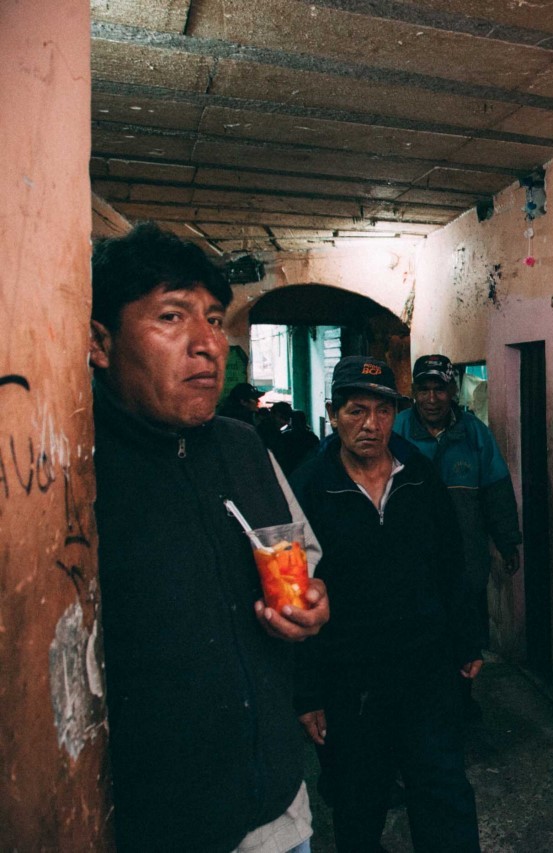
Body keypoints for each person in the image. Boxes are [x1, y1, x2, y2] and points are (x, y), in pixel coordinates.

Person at [89, 222, 330, 853]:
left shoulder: (243, 448)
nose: (206, 345)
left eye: (216, 320)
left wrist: (310, 607)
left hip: (279, 816)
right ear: (100, 342)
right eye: (172, 316)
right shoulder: (76, 472)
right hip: (161, 829)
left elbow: (299, 559)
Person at [290, 356, 483, 853]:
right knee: (358, 802)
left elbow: (450, 561)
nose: (370, 425)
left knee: (442, 791)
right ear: (334, 414)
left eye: (381, 411)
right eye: (356, 411)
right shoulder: (309, 486)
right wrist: (307, 692)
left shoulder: (417, 474)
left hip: (425, 666)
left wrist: (465, 641)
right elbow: (294, 592)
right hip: (350, 679)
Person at [392, 355, 521, 714]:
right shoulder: (397, 431)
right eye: (423, 390)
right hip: (411, 559)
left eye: (439, 389)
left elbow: (496, 487)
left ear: (451, 391)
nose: (431, 398)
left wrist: (507, 539)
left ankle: (462, 698)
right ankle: (419, 707)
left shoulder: (474, 433)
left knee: (464, 630)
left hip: (466, 556)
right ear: (414, 392)